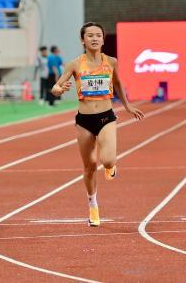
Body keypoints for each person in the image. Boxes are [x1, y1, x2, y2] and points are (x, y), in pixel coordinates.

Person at [50, 22, 144, 227]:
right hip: (84, 121)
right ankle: (93, 204)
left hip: (106, 117)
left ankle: (111, 166)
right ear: (82, 40)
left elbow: (118, 83)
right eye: (90, 35)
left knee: (108, 159)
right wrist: (59, 89)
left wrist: (127, 106)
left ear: (103, 39)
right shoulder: (74, 64)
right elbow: (56, 87)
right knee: (89, 166)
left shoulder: (111, 62)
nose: (94, 38)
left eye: (98, 35)